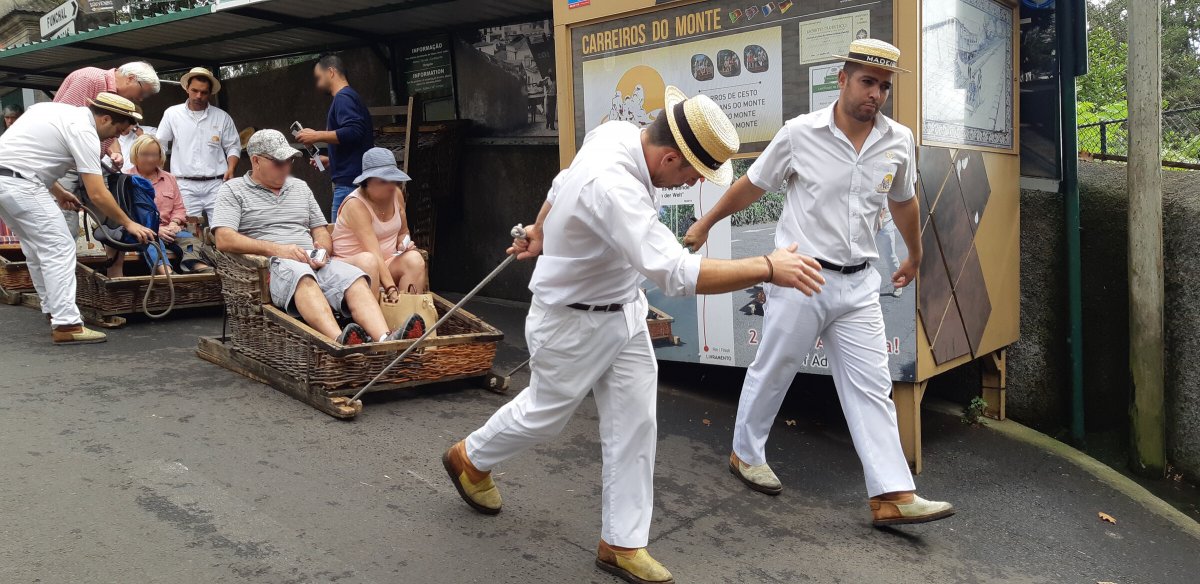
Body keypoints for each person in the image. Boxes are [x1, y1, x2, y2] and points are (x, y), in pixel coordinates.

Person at [442, 87, 825, 584]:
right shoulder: (615, 186)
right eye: (690, 173)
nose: (688, 183)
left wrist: (539, 228)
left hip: (623, 311)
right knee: (544, 415)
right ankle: (470, 457)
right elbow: (676, 273)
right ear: (669, 156)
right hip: (571, 321)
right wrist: (768, 266)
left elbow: (560, 184)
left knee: (636, 424)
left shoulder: (620, 131)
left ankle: (622, 543)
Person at [683, 39, 955, 526]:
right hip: (801, 273)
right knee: (776, 367)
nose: (876, 94)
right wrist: (706, 223)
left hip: (858, 285)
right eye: (868, 82)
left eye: (885, 87)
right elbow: (754, 184)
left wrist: (915, 255)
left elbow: (904, 202)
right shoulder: (799, 133)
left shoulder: (897, 141)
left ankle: (891, 495)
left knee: (871, 386)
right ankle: (746, 453)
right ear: (843, 79)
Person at [211, 130, 412, 346]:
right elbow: (223, 238)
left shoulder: (300, 187)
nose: (286, 167)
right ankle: (339, 342)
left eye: (289, 161)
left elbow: (320, 230)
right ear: (256, 160)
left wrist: (323, 249)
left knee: (354, 278)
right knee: (302, 275)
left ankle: (384, 339)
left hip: (312, 258)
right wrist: (279, 250)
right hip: (270, 266)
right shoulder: (233, 190)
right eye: (279, 162)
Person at [0, 93, 155, 344]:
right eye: (116, 131)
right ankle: (67, 324)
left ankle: (53, 310)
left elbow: (26, 155)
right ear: (104, 118)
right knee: (60, 247)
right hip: (22, 185)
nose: (112, 138)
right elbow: (96, 191)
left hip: (8, 180)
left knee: (36, 248)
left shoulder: (51, 110)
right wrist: (129, 222)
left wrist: (60, 192)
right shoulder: (84, 132)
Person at [106, 134, 211, 278]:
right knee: (152, 242)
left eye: (154, 154)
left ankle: (201, 271)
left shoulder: (169, 178)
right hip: (143, 232)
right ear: (135, 154)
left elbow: (179, 208)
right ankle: (169, 276)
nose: (150, 159)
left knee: (190, 241)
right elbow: (125, 213)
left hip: (171, 230)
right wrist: (157, 229)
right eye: (145, 154)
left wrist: (174, 223)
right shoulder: (126, 179)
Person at [330, 147, 427, 298]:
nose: (391, 185)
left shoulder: (396, 194)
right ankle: (376, 316)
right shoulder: (355, 205)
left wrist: (404, 243)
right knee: (370, 262)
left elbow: (403, 231)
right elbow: (373, 253)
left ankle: (406, 313)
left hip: (386, 261)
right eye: (383, 180)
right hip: (353, 266)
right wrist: (390, 288)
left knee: (414, 259)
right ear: (367, 181)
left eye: (393, 179)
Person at [155, 67, 241, 221]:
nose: (198, 96)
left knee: (223, 227)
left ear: (210, 93)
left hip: (217, 183)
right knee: (189, 231)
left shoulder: (222, 117)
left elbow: (233, 146)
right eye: (194, 90)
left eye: (204, 92)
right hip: (184, 183)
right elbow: (160, 144)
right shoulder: (172, 114)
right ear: (186, 88)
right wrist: (158, 171)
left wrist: (231, 168)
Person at [296, 53, 374, 221]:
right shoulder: (350, 97)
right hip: (354, 180)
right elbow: (355, 143)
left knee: (339, 239)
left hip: (349, 185)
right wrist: (331, 159)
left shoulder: (343, 98)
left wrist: (316, 135)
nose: (317, 84)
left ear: (331, 72)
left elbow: (354, 131)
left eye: (319, 77)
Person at [53, 61, 160, 170]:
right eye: (143, 93)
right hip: (66, 162)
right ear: (131, 79)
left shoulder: (115, 95)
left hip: (87, 162)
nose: (141, 99)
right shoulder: (90, 79)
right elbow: (66, 124)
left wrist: (116, 152)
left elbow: (105, 129)